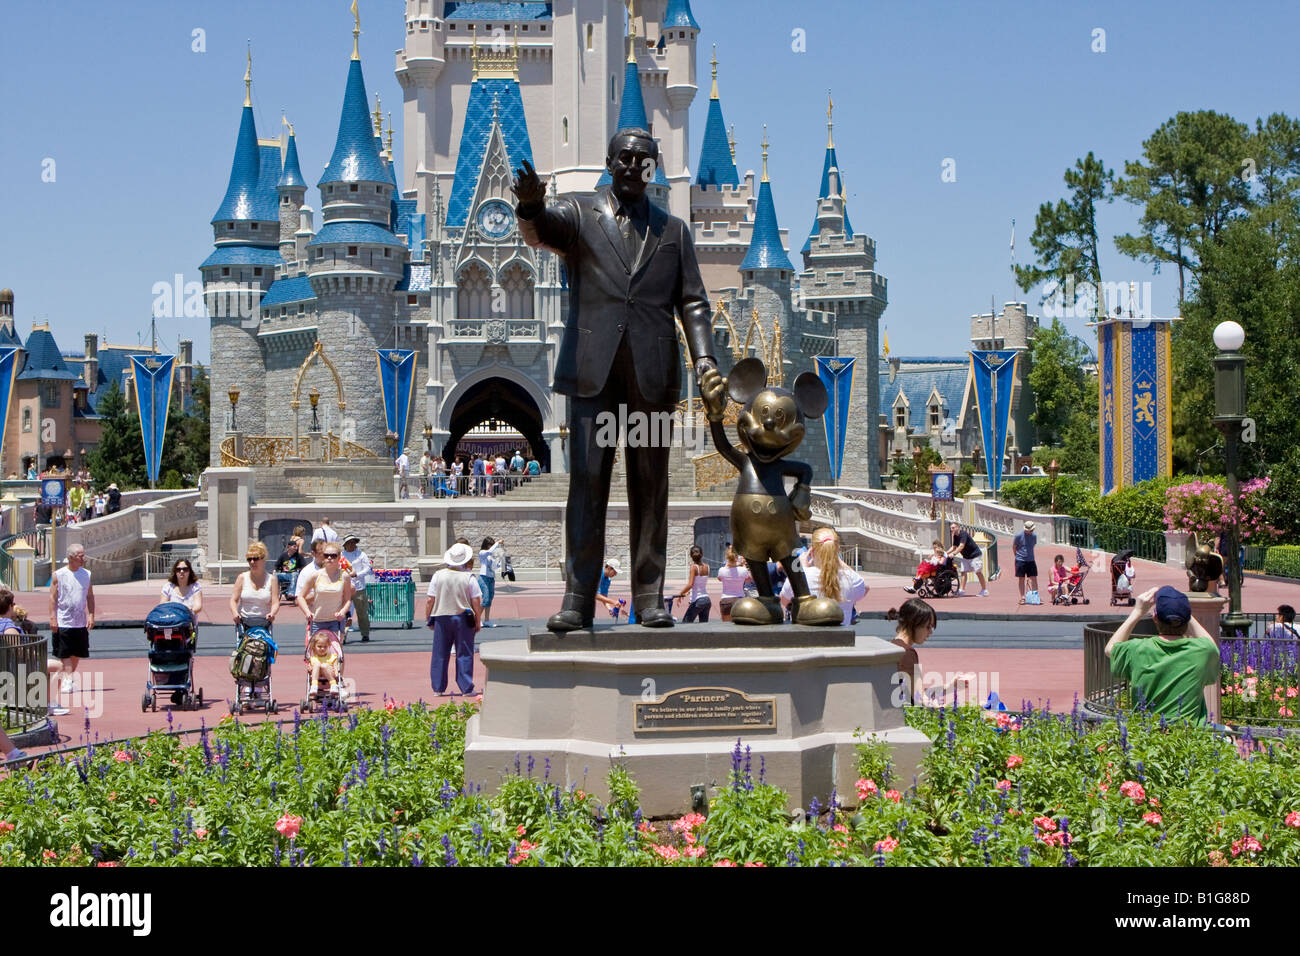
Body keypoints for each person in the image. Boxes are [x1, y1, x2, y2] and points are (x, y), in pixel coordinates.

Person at [514, 127, 721, 631]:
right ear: (609, 162)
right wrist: (530, 207)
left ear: (652, 168)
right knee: (586, 485)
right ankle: (579, 597)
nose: (632, 164)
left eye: (643, 158)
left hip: (652, 378)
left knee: (651, 488)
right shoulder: (582, 216)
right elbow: (543, 229)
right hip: (593, 372)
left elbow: (692, 300)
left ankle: (649, 597)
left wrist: (706, 360)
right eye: (624, 157)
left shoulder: (673, 231)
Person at [1105, 585, 1221, 723]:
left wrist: (1137, 612)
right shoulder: (1203, 651)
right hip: (1189, 738)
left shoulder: (1138, 649)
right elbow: (1213, 646)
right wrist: (1182, 611)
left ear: (1155, 617)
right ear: (1187, 617)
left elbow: (1110, 649)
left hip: (1148, 736)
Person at [887, 598, 974, 705]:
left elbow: (916, 693)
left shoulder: (892, 646)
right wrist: (942, 709)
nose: (930, 632)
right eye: (928, 627)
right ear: (914, 623)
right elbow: (920, 699)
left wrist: (950, 686)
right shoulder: (908, 653)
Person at [779, 528, 868, 626]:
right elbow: (865, 588)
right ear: (837, 551)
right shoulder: (850, 578)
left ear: (812, 551)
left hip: (806, 638)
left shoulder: (801, 577)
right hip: (840, 639)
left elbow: (783, 600)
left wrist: (802, 569)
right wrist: (839, 561)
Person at [425, 542, 481, 696]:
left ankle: (438, 688)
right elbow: (476, 600)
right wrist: (478, 619)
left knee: (440, 653)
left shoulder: (438, 575)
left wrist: (428, 616)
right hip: (463, 617)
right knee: (464, 652)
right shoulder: (469, 577)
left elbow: (430, 599)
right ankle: (466, 687)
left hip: (442, 616)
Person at [49, 543, 94, 717]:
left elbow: (90, 596)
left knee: (76, 653)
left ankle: (67, 678)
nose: (84, 559)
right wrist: (53, 617)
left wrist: (91, 615)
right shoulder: (59, 575)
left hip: (79, 621)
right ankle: (68, 679)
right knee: (64, 653)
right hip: (63, 620)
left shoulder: (87, 575)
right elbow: (52, 598)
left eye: (84, 555)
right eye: (80, 556)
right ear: (71, 557)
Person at [296, 543, 354, 655]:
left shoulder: (344, 576)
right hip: (317, 620)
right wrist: (307, 612)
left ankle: (337, 672)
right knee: (315, 655)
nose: (329, 558)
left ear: (339, 557)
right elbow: (300, 597)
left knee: (335, 653)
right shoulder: (315, 576)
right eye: (326, 555)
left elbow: (347, 600)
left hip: (335, 621)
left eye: (333, 555)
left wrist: (342, 612)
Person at [0, 589, 29, 761]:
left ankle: (12, 753)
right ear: (11, 606)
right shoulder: (7, 626)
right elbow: (19, 651)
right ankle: (12, 754)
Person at [229, 542, 280, 626]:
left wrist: (272, 613)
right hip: (244, 620)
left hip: (264, 621)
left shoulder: (272, 579)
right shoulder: (242, 578)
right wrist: (235, 613)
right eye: (249, 559)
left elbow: (275, 602)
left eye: (256, 558)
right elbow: (233, 600)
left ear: (263, 559)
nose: (252, 562)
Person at [341, 534, 372, 642]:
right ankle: (343, 635)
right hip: (345, 588)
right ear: (345, 545)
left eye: (353, 542)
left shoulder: (361, 554)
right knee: (344, 613)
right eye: (349, 543)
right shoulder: (341, 556)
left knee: (362, 612)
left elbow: (368, 568)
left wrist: (357, 574)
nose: (351, 545)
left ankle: (365, 633)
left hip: (359, 587)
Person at [946, 521, 988, 596]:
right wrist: (946, 553)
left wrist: (954, 553)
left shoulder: (963, 534)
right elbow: (954, 547)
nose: (951, 529)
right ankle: (962, 590)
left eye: (953, 528)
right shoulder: (955, 536)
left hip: (975, 555)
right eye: (951, 528)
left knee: (978, 572)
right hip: (966, 556)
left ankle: (984, 590)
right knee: (963, 572)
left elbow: (961, 546)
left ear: (958, 527)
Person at [674, 545, 712, 623]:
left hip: (697, 600)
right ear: (702, 554)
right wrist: (689, 592)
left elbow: (690, 584)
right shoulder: (707, 566)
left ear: (691, 556)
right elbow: (699, 583)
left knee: (686, 623)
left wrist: (680, 594)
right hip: (706, 600)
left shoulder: (693, 567)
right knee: (704, 626)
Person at [716, 548, 752, 622]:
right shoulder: (743, 570)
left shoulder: (722, 570)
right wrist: (743, 565)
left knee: (726, 625)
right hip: (740, 600)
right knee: (740, 625)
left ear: (727, 558)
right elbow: (748, 580)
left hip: (726, 600)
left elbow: (719, 579)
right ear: (737, 558)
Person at [478, 537, 504, 627]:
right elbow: (489, 551)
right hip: (483, 578)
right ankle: (477, 619)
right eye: (490, 545)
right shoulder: (482, 553)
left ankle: (487, 620)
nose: (492, 547)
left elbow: (495, 567)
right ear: (486, 545)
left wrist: (502, 561)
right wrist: (497, 543)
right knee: (485, 599)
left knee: (489, 599)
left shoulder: (492, 555)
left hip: (491, 578)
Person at [1013, 521, 1039, 604]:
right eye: (1029, 530)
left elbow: (1033, 546)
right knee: (1021, 579)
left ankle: (1035, 596)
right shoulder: (1018, 536)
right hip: (1021, 560)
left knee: (1034, 578)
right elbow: (1014, 547)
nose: (1030, 532)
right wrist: (1017, 556)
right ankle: (1022, 597)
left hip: (1031, 560)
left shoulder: (1034, 536)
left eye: (1031, 530)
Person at [275, 536, 307, 601]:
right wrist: (276, 571)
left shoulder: (298, 556)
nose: (296, 548)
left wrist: (300, 571)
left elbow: (304, 566)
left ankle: (291, 593)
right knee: (275, 576)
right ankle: (275, 593)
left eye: (296, 546)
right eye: (294, 546)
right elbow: (277, 565)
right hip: (285, 574)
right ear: (289, 547)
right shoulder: (283, 555)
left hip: (294, 574)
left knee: (294, 574)